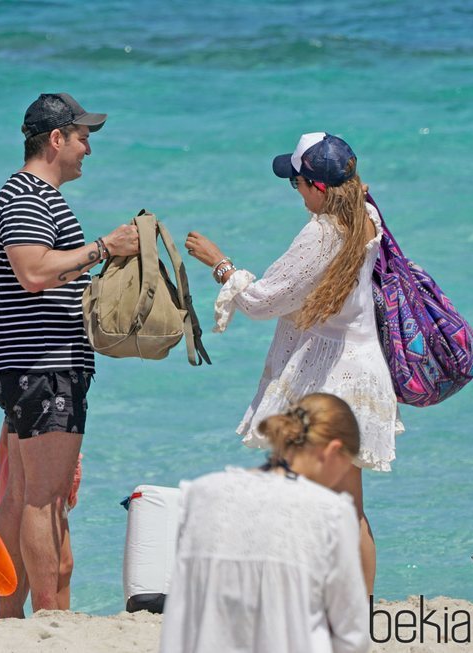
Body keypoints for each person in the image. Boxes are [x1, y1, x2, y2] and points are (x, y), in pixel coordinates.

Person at [184, 132, 402, 595]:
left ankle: (309, 603)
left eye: (297, 183)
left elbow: (263, 301)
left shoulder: (322, 232)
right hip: (363, 372)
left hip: (330, 380)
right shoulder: (367, 215)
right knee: (349, 506)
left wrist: (219, 263)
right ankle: (355, 613)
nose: (296, 192)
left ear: (318, 188)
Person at [0, 92, 140, 617]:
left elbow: (52, 271)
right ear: (57, 139)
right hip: (42, 363)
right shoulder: (29, 195)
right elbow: (32, 271)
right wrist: (104, 247)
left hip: (30, 362)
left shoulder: (34, 196)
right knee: (43, 498)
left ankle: (9, 618)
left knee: (24, 493)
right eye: (83, 137)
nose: (88, 149)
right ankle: (51, 617)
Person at [159, 393, 371, 653]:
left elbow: (181, 615)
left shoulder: (200, 495)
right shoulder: (331, 512)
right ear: (334, 451)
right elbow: (352, 634)